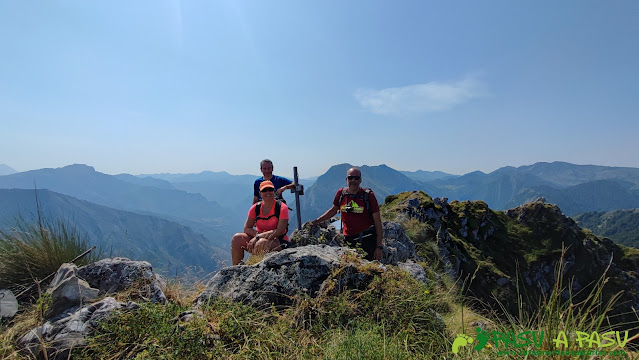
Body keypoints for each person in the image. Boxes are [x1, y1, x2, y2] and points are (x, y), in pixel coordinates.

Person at [311, 167, 384, 261]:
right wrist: (316, 221)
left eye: (356, 178)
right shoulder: (341, 194)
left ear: (360, 180)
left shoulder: (368, 196)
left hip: (367, 240)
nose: (353, 180)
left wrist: (379, 247)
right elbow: (333, 210)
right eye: (350, 178)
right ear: (346, 180)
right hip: (348, 240)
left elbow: (378, 222)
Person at [232, 180, 290, 265]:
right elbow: (247, 228)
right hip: (258, 239)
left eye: (270, 189)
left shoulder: (282, 207)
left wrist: (258, 237)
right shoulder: (256, 208)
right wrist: (258, 236)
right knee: (237, 238)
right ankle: (235, 270)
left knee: (261, 243)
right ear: (260, 193)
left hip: (278, 242)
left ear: (274, 191)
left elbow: (280, 231)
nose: (267, 192)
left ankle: (253, 269)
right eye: (264, 190)